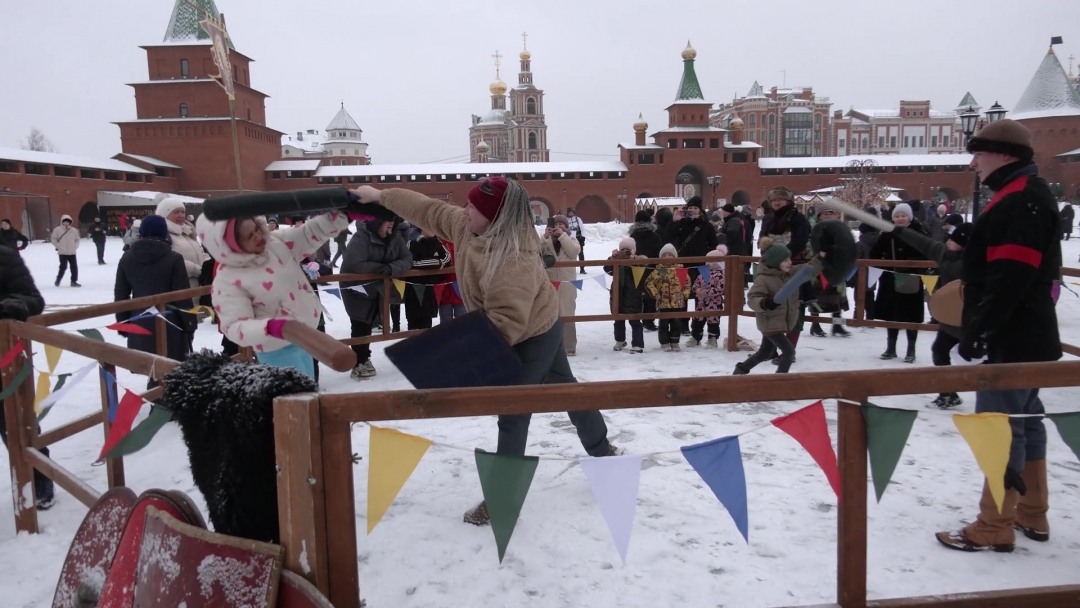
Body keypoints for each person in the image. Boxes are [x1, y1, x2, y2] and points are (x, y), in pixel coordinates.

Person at [349, 177, 622, 526]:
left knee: (513, 410)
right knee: (564, 387)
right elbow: (428, 210)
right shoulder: (468, 227)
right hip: (521, 320)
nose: (464, 212)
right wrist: (382, 196)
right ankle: (603, 450)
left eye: (472, 208)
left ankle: (501, 500)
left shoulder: (514, 259)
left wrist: (454, 357)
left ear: (494, 218)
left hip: (533, 330)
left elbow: (507, 324)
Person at [936, 119, 1062, 553]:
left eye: (979, 153)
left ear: (1003, 155)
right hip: (1028, 336)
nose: (974, 162)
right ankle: (1032, 512)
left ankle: (994, 524)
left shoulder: (1018, 202)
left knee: (999, 430)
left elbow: (1011, 276)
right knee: (1026, 424)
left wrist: (980, 330)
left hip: (1012, 338)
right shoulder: (1022, 197)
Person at [195, 211, 349, 378]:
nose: (258, 236)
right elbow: (234, 326)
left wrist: (342, 216)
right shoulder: (227, 279)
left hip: (304, 337)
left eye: (256, 228)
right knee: (295, 399)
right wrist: (271, 327)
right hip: (276, 348)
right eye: (249, 236)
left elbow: (308, 233)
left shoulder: (276, 244)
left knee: (310, 394)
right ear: (231, 245)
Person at [895, 221, 971, 408]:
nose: (948, 241)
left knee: (983, 359)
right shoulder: (944, 253)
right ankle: (947, 393)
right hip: (950, 318)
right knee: (939, 350)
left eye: (952, 240)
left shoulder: (977, 263)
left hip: (972, 320)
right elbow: (922, 242)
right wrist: (900, 231)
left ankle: (999, 395)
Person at [0, 243, 54, 509]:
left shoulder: (5, 257)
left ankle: (38, 478)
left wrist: (11, 306)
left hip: (4, 365)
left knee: (18, 426)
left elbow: (34, 300)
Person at [113, 215, 196, 369]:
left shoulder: (127, 257)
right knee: (171, 370)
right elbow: (182, 295)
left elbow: (121, 295)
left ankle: (156, 391)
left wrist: (124, 324)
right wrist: (190, 323)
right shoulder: (174, 258)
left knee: (152, 370)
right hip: (171, 323)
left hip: (140, 321)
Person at [733, 237, 823, 375]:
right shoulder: (764, 279)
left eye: (789, 259)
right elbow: (752, 298)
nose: (790, 262)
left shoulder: (790, 273)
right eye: (785, 260)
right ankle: (780, 380)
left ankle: (740, 370)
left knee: (764, 353)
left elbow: (808, 269)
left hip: (779, 322)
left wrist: (821, 256)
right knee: (789, 352)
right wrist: (765, 303)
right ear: (775, 262)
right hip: (770, 322)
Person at [339, 214, 412, 380]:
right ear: (378, 221)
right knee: (360, 322)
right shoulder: (361, 237)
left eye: (394, 223)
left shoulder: (394, 238)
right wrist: (379, 268)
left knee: (371, 321)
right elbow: (354, 262)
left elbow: (407, 258)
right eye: (388, 222)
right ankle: (359, 362)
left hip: (379, 289)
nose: (391, 226)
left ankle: (364, 357)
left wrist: (390, 268)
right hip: (357, 288)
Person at [869, 202, 927, 363]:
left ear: (910, 217)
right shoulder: (888, 233)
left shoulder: (920, 232)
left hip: (911, 279)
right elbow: (874, 253)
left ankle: (911, 349)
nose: (900, 219)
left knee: (911, 316)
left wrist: (912, 263)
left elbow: (927, 253)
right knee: (891, 314)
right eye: (897, 216)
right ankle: (891, 348)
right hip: (891, 278)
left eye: (903, 215)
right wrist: (885, 263)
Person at [761, 187, 811, 357]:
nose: (777, 202)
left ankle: (788, 350)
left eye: (780, 199)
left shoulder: (798, 218)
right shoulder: (769, 219)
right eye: (774, 199)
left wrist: (782, 258)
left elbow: (800, 240)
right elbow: (763, 241)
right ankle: (770, 350)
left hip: (793, 267)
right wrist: (768, 258)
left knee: (794, 311)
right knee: (772, 309)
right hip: (772, 270)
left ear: (788, 200)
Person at [541, 214, 581, 356]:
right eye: (555, 224)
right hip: (549, 282)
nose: (558, 227)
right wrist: (545, 236)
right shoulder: (546, 240)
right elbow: (536, 251)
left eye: (561, 224)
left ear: (566, 227)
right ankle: (551, 346)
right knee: (549, 314)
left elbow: (574, 251)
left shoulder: (571, 238)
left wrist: (562, 236)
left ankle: (570, 346)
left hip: (567, 283)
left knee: (568, 313)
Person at [807, 208, 850, 338]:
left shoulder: (841, 229)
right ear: (819, 216)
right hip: (819, 267)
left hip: (836, 267)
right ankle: (815, 325)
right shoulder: (813, 230)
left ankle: (837, 325)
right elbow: (808, 246)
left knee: (837, 298)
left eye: (831, 213)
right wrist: (818, 256)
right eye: (825, 213)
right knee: (817, 297)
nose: (828, 216)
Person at [156, 198, 208, 289]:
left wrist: (208, 264)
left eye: (183, 212)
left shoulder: (188, 232)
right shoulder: (163, 234)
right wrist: (197, 270)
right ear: (165, 215)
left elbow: (200, 253)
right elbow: (170, 260)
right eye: (176, 212)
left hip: (199, 284)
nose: (181, 215)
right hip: (181, 287)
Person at [645, 243, 689, 352]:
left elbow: (687, 284)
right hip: (663, 302)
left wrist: (685, 295)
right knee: (663, 323)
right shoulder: (657, 271)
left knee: (676, 323)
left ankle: (675, 342)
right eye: (664, 255)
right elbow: (649, 282)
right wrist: (656, 294)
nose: (667, 257)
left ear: (674, 257)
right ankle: (664, 342)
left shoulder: (681, 270)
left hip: (677, 302)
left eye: (670, 255)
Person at [604, 237, 645, 353]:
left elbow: (645, 267)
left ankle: (638, 344)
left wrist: (634, 260)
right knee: (618, 319)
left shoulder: (638, 261)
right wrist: (613, 258)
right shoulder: (616, 261)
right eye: (623, 249)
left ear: (634, 250)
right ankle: (620, 340)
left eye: (628, 250)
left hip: (633, 295)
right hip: (618, 294)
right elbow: (607, 270)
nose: (625, 252)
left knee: (635, 320)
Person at [404, 228, 450, 331]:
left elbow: (447, 259)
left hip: (429, 290)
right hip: (413, 290)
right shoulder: (412, 243)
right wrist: (436, 263)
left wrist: (428, 263)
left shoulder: (437, 242)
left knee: (427, 323)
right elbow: (411, 263)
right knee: (413, 324)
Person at [628, 209, 663, 332]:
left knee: (638, 293)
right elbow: (659, 252)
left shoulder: (632, 236)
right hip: (652, 268)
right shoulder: (654, 235)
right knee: (651, 294)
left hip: (636, 268)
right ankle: (649, 320)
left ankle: (638, 317)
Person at [688, 247, 725, 348]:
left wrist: (707, 293)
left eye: (712, 261)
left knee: (713, 321)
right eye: (708, 260)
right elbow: (695, 284)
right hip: (700, 302)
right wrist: (697, 290)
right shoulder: (702, 274)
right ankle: (695, 337)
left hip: (714, 303)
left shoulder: (720, 275)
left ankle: (712, 339)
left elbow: (720, 288)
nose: (709, 263)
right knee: (697, 320)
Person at [854, 221, 880, 321]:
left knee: (858, 294)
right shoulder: (878, 242)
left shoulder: (860, 244)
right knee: (870, 294)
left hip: (860, 273)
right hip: (874, 272)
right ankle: (870, 316)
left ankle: (857, 316)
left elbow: (855, 258)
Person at [436, 238, 466, 323]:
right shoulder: (438, 243)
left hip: (459, 287)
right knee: (445, 320)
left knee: (462, 319)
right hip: (443, 288)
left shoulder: (461, 241)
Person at [49, 214, 81, 287]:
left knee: (74, 267)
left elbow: (77, 239)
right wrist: (58, 246)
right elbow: (53, 239)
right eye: (64, 221)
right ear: (62, 222)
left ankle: (74, 281)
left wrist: (75, 246)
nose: (66, 223)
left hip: (72, 252)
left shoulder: (73, 230)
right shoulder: (57, 230)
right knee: (63, 267)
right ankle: (58, 280)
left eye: (68, 221)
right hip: (62, 252)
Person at [564, 207, 586, 274]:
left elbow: (582, 227)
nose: (571, 214)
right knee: (570, 254)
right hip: (570, 238)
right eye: (569, 213)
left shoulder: (577, 219)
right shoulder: (566, 220)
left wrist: (583, 237)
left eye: (571, 212)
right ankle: (570, 268)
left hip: (578, 238)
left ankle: (582, 268)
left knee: (581, 253)